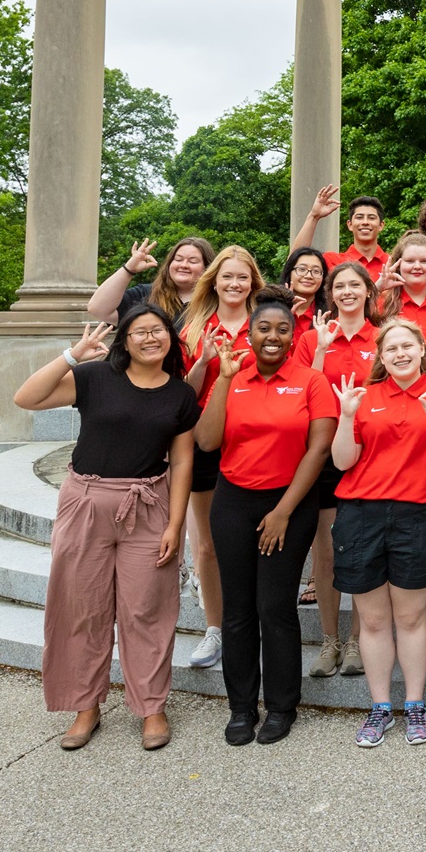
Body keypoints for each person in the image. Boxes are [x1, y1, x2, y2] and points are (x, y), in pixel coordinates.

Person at [15, 306, 197, 753]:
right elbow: (27, 398)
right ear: (125, 340)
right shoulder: (96, 378)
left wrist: (176, 524)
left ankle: (151, 707)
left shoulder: (179, 394)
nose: (150, 338)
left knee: (146, 610)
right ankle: (85, 705)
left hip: (148, 505)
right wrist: (71, 355)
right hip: (87, 502)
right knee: (82, 607)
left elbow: (184, 461)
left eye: (158, 331)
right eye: (140, 332)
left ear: (169, 340)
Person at [192, 287, 336, 746]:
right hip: (234, 502)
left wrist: (282, 512)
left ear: (295, 336)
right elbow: (208, 442)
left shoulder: (312, 381)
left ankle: (280, 706)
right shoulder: (234, 377)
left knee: (275, 607)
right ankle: (240, 708)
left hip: (290, 503)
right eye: (263, 329)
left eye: (282, 329)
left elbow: (318, 450)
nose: (273, 337)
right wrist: (223, 380)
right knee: (237, 610)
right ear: (249, 333)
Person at [331, 320, 426, 748]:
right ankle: (380, 707)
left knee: (409, 616)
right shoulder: (363, 396)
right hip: (361, 514)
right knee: (372, 619)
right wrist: (346, 417)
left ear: (422, 348)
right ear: (381, 356)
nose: (401, 353)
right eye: (392, 348)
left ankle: (414, 703)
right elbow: (341, 461)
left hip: (417, 513)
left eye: (408, 345)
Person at [173, 244, 266, 670]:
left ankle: (253, 624)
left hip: (255, 441)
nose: (234, 284)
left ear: (253, 283)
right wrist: (204, 361)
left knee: (258, 540)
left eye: (242, 277)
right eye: (227, 277)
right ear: (214, 281)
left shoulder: (265, 325)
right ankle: (215, 628)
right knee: (206, 544)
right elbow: (180, 396)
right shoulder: (192, 327)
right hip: (203, 440)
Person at [296, 260, 382, 679]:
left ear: (369, 290)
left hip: (372, 454)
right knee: (326, 549)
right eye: (339, 286)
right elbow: (298, 393)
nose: (347, 291)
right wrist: (321, 350)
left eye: (355, 285)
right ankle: (329, 640)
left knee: (364, 546)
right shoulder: (312, 337)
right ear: (330, 294)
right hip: (323, 454)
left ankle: (355, 640)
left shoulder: (383, 337)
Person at [88, 235, 215, 326]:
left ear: (207, 267)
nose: (184, 265)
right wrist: (129, 269)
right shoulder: (145, 294)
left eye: (193, 261)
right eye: (178, 259)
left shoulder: (216, 301)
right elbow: (97, 309)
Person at [293, 185, 390, 282]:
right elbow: (296, 260)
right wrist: (314, 216)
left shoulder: (393, 263)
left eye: (371, 218)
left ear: (381, 225)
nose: (365, 222)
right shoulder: (332, 261)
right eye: (359, 217)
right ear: (350, 225)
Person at [278, 246, 329, 353]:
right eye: (301, 269)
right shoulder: (271, 309)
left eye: (316, 271)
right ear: (289, 272)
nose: (308, 276)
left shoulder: (329, 315)